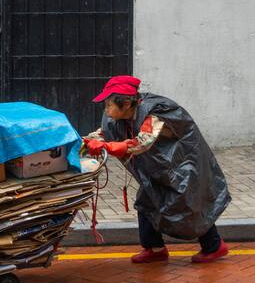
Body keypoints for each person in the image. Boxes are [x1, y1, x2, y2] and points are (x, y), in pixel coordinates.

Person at [83, 75, 231, 264]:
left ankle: (214, 246)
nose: (106, 110)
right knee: (147, 201)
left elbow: (142, 143)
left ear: (126, 104)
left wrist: (107, 147)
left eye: (109, 105)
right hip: (158, 167)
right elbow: (104, 133)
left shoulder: (156, 113)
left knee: (189, 203)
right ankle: (155, 248)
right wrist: (86, 142)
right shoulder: (118, 117)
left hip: (183, 165)